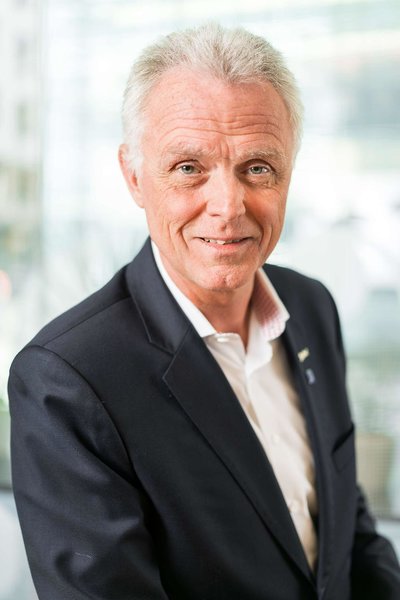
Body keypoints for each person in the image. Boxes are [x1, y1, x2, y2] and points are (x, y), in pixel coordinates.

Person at [8, 23, 400, 600]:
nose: (228, 206)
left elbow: (349, 533)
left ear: (289, 174)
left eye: (258, 167)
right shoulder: (67, 382)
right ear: (134, 177)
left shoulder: (312, 307)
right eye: (189, 167)